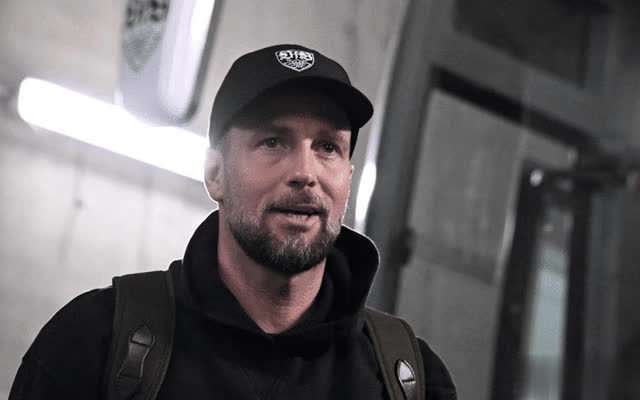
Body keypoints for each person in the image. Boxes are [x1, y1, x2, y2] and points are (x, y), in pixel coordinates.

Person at [9, 44, 456, 399]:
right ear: (215, 174)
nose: (306, 173)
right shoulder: (94, 344)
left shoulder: (410, 380)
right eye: (273, 142)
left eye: (327, 147)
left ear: (348, 179)